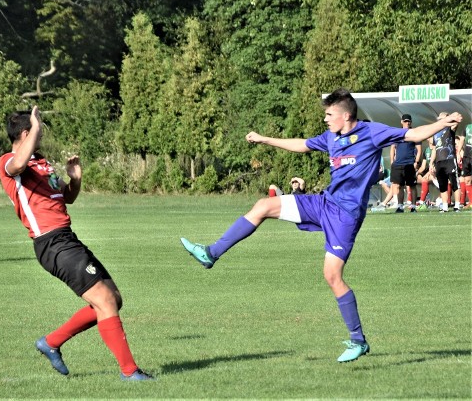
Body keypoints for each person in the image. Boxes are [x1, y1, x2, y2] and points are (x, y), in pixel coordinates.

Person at [180, 88, 462, 363]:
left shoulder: (371, 132)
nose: (326, 119)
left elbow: (412, 135)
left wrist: (441, 123)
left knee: (332, 276)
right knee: (263, 206)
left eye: (329, 114)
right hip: (324, 203)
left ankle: (358, 340)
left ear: (346, 116)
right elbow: (301, 144)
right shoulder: (330, 137)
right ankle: (211, 253)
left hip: (346, 217)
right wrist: (265, 139)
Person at [0, 107, 152, 381]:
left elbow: (67, 197)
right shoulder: (9, 162)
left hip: (67, 239)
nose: (42, 134)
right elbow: (17, 165)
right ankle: (130, 372)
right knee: (104, 301)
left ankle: (52, 342)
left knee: (114, 299)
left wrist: (75, 179)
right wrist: (35, 125)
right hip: (51, 243)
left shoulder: (42, 163)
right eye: (37, 130)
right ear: (25, 133)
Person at [388, 114, 422, 212]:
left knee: (412, 185)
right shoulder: (397, 133)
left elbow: (419, 150)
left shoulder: (414, 133)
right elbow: (392, 148)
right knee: (399, 185)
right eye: (405, 121)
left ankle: (414, 207)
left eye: (409, 121)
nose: (407, 123)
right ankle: (400, 206)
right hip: (398, 164)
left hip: (410, 163)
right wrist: (391, 161)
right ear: (401, 122)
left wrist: (416, 162)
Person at [429, 112, 461, 212]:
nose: (439, 121)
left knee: (455, 183)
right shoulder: (436, 133)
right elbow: (434, 149)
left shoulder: (449, 128)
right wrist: (431, 163)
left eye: (441, 119)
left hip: (449, 159)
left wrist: (450, 118)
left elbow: (456, 124)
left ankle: (457, 206)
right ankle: (445, 207)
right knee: (442, 185)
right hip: (439, 161)